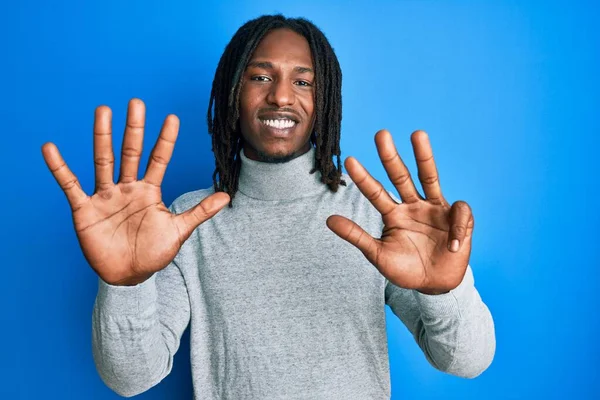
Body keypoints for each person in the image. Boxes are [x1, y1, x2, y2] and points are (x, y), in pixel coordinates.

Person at [41, 14, 495, 399]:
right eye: (261, 76)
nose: (281, 95)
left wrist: (445, 291)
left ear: (324, 103)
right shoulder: (184, 221)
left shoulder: (379, 217)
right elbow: (130, 377)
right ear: (232, 93)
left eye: (303, 81)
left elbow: (467, 362)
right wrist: (125, 283)